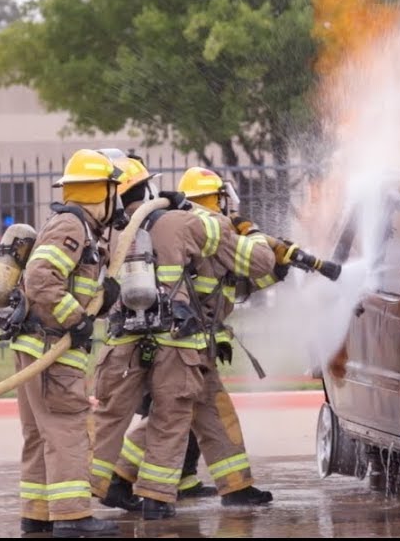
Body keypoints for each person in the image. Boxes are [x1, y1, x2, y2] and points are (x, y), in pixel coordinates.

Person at [113, 167, 285, 507]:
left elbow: (223, 288)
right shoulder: (210, 228)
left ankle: (235, 486)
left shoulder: (178, 225)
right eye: (222, 197)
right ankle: (123, 480)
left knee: (212, 413)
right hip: (185, 345)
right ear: (214, 197)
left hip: (193, 340)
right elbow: (254, 264)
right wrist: (260, 239)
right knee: (171, 417)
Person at [87, 151, 208, 521]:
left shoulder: (103, 232)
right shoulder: (179, 222)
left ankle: (89, 491)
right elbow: (222, 247)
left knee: (109, 417)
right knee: (171, 416)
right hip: (173, 336)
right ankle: (156, 499)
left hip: (122, 340)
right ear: (147, 185)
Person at [13, 149, 123, 538]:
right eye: (115, 190)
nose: (120, 200)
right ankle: (74, 518)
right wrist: (75, 319)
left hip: (36, 348)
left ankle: (38, 515)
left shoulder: (78, 228)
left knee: (39, 435)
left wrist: (103, 299)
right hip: (51, 350)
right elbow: (41, 279)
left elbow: (66, 281)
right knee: (67, 429)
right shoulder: (72, 227)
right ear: (101, 192)